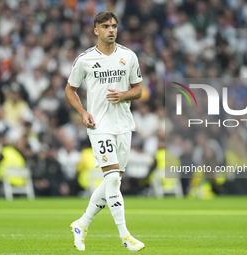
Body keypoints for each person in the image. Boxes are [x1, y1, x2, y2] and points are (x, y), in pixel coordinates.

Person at [65, 11, 145, 252]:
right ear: (96, 30)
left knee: (114, 182)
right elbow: (70, 90)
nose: (111, 30)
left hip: (123, 125)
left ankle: (81, 224)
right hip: (99, 126)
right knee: (111, 179)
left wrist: (123, 95)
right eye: (106, 26)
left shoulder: (128, 56)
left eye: (114, 26)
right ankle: (125, 235)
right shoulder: (85, 59)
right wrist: (82, 112)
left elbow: (138, 89)